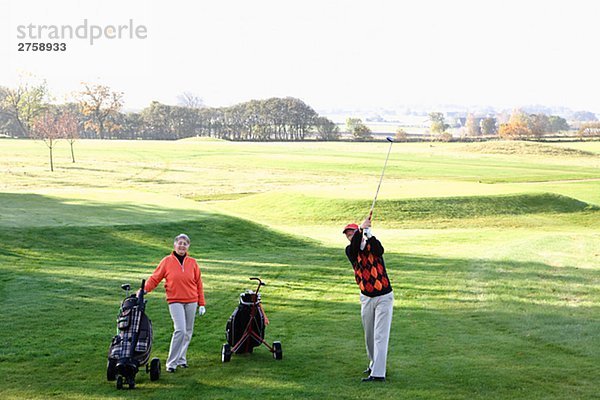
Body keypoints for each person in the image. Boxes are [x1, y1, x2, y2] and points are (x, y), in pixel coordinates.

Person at [141, 233, 206, 373]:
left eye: (185, 243)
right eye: (180, 243)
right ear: (174, 245)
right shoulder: (167, 261)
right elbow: (154, 278)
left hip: (192, 300)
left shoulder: (193, 262)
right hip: (175, 300)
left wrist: (201, 303)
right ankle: (171, 363)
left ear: (188, 246)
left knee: (188, 332)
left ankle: (182, 359)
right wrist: (143, 290)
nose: (182, 246)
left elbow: (199, 284)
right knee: (180, 330)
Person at [343, 217, 393, 382]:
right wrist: (360, 230)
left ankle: (378, 373)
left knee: (380, 335)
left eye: (352, 233)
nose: (350, 236)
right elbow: (355, 246)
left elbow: (380, 250)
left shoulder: (373, 246)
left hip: (384, 296)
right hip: (366, 297)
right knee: (369, 335)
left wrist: (369, 233)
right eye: (348, 235)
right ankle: (373, 363)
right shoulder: (350, 251)